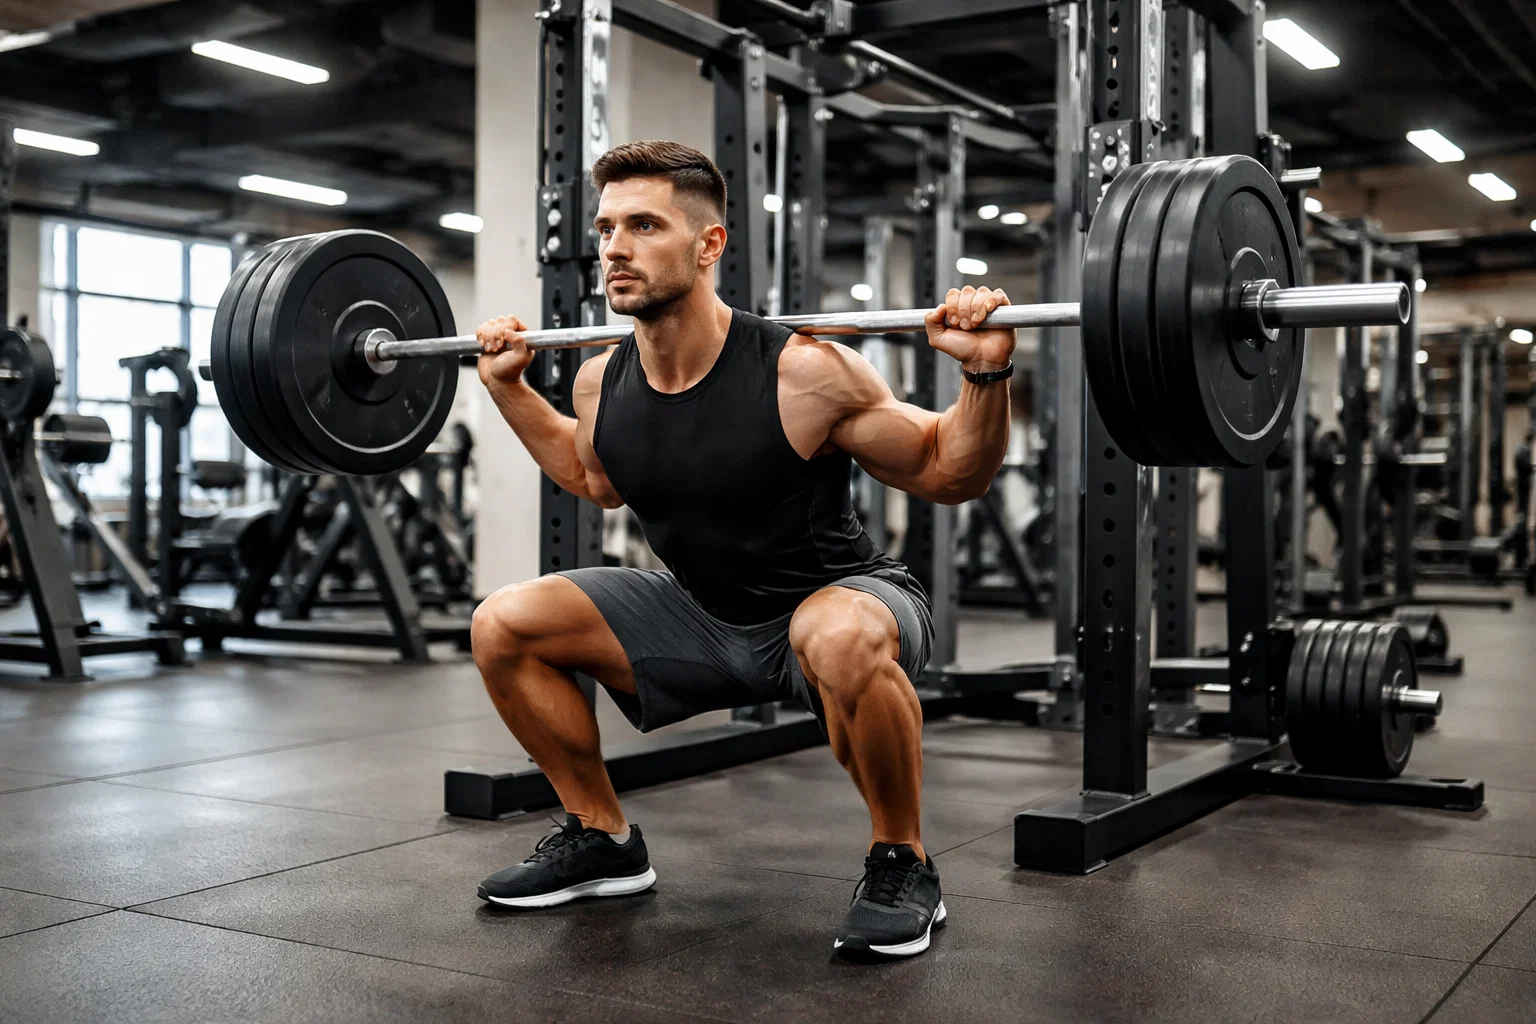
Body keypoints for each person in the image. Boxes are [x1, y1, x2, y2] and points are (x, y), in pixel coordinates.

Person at [470, 140, 1015, 961]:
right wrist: (510, 391)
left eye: (644, 225)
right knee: (503, 623)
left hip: (841, 600)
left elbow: (948, 471)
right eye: (608, 226)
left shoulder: (805, 371)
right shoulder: (598, 380)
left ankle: (902, 860)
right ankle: (602, 838)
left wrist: (983, 379)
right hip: (701, 615)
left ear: (709, 243)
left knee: (835, 634)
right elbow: (593, 475)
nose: (614, 247)